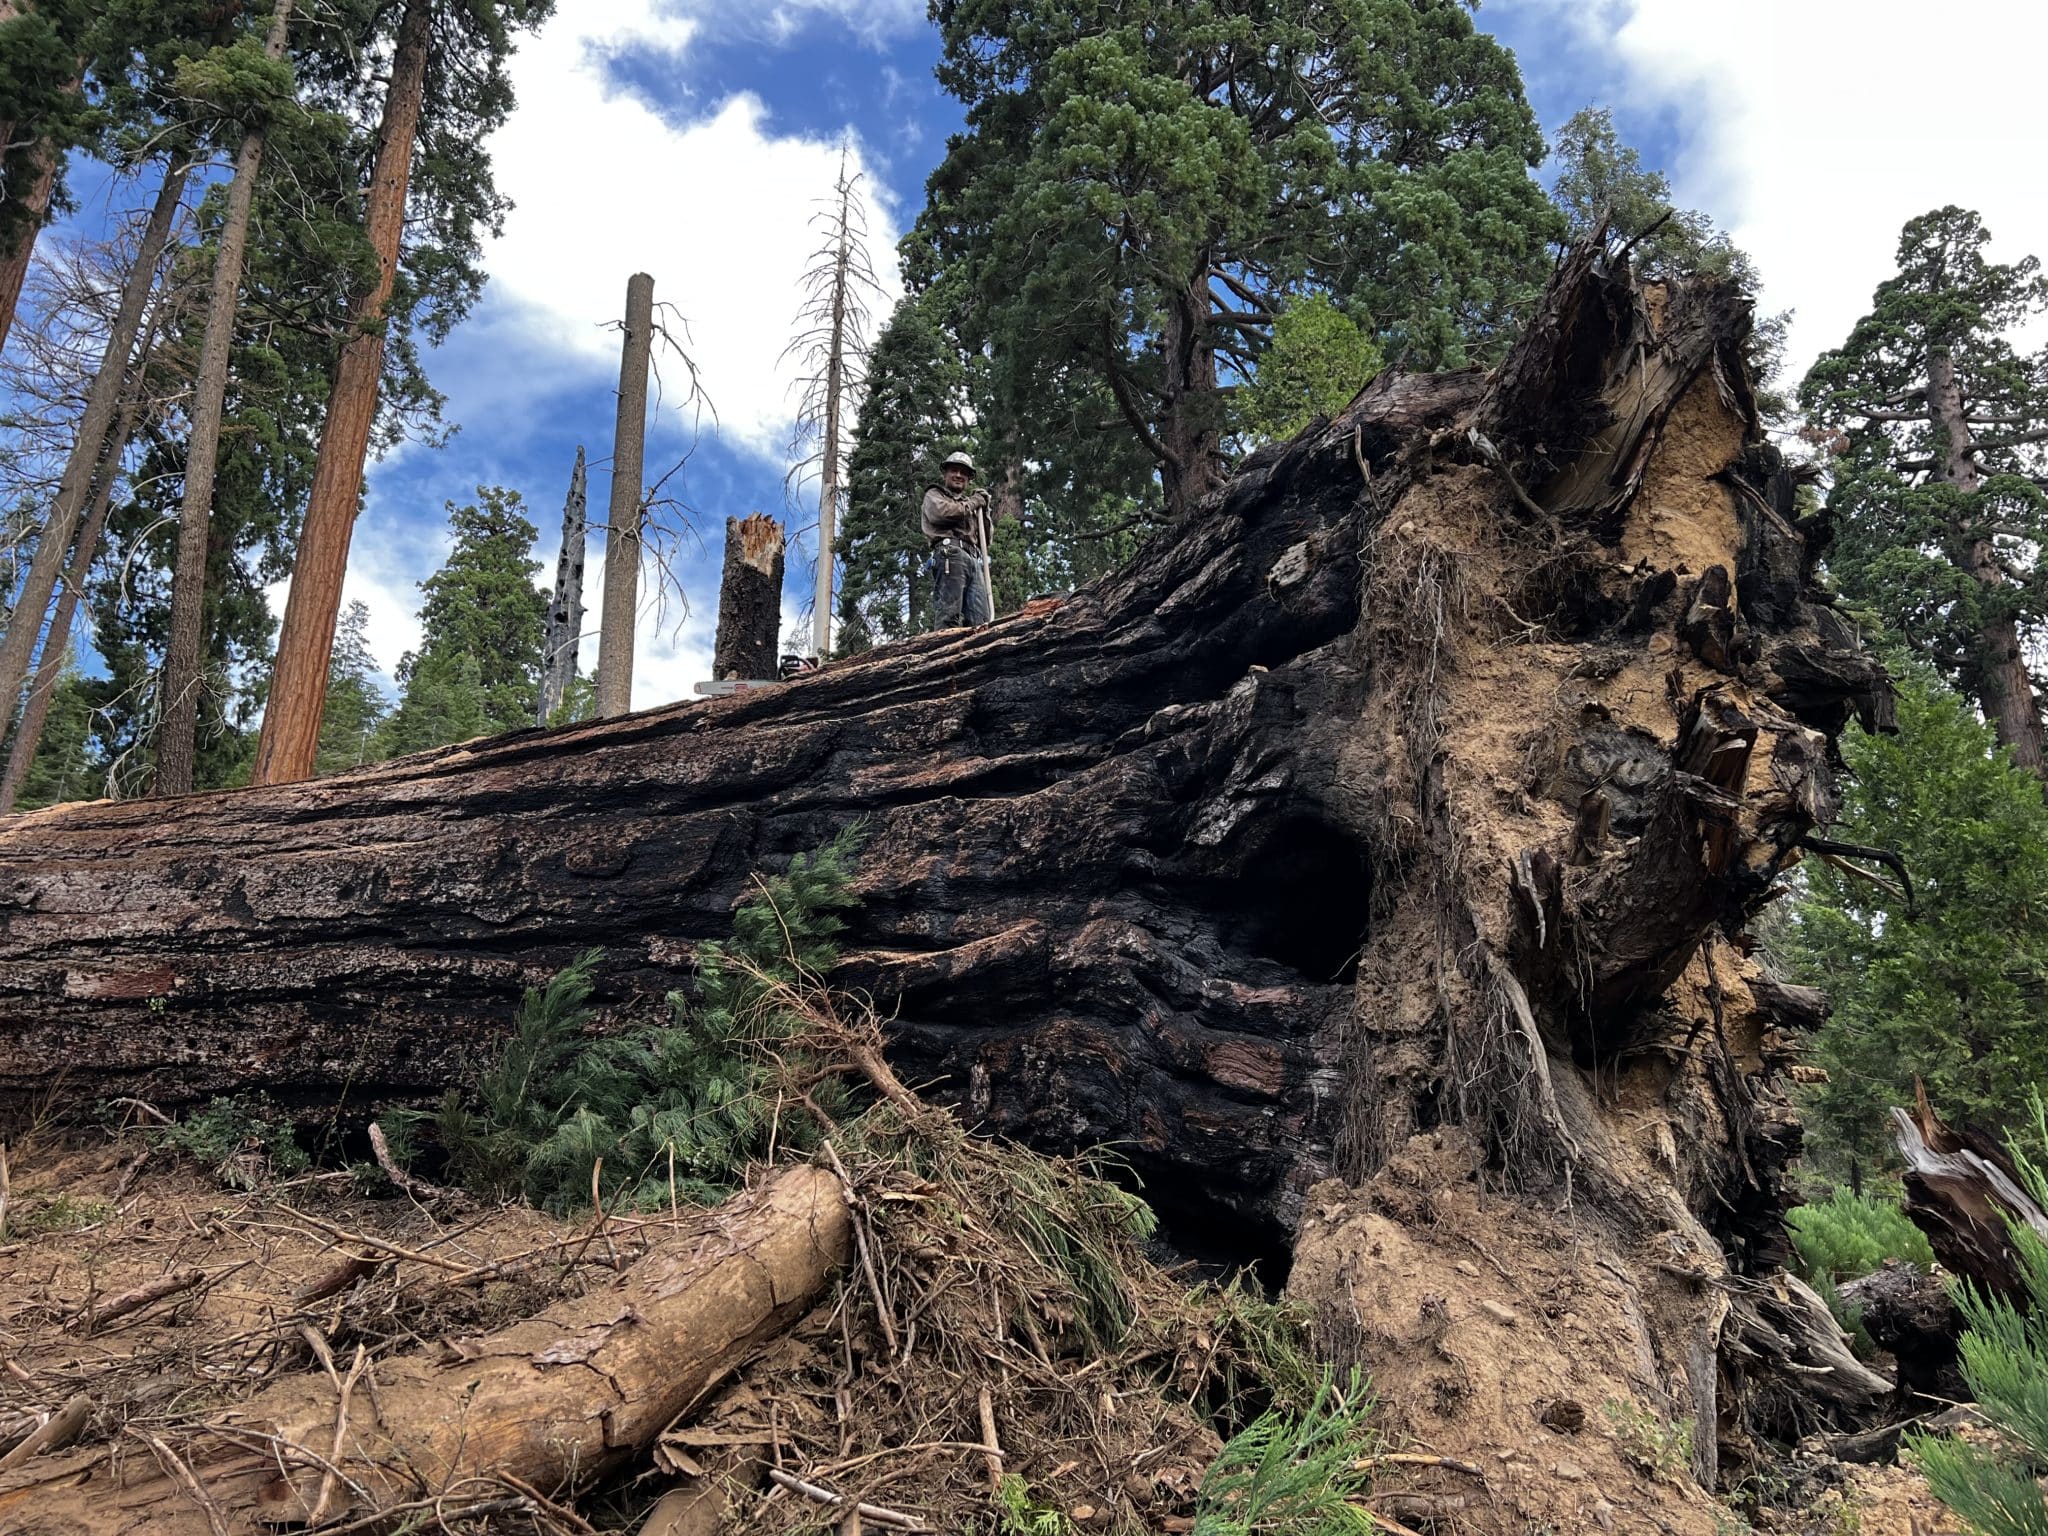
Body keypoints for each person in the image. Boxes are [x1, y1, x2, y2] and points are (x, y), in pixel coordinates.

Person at [922, 449, 993, 627]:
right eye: (954, 470)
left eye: (964, 473)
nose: (959, 475)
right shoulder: (935, 495)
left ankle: (979, 654)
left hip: (973, 561)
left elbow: (986, 539)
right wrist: (973, 503)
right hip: (950, 554)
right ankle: (944, 652)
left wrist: (984, 510)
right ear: (945, 474)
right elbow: (942, 514)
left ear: (969, 479)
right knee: (949, 616)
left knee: (981, 621)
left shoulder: (971, 505)